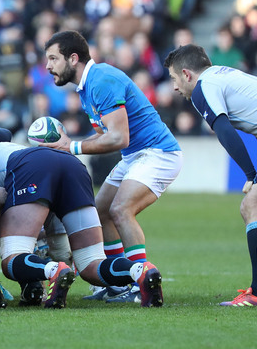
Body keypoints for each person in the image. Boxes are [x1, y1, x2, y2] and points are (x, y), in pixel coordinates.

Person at [41, 31, 182, 302]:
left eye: (53, 58)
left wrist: (72, 148)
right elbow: (108, 133)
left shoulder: (101, 81)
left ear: (73, 58)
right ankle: (119, 283)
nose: (48, 66)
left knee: (120, 210)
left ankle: (140, 285)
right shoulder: (88, 85)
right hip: (136, 156)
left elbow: (119, 137)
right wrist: (72, 144)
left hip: (159, 153)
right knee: (101, 211)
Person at [0, 125, 164, 308]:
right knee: (91, 263)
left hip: (34, 168)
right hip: (73, 166)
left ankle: (53, 270)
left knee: (11, 260)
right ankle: (140, 270)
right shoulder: (2, 148)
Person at [164, 44, 257, 306]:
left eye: (174, 78)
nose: (174, 87)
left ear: (187, 74)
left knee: (252, 206)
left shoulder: (203, 88)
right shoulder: (222, 76)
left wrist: (251, 174)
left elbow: (224, 131)